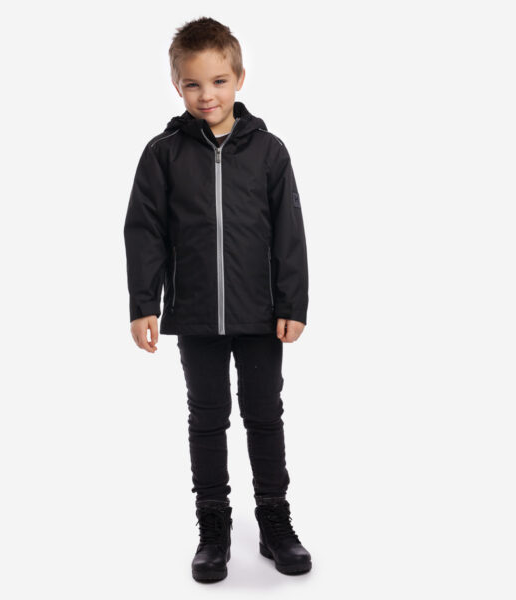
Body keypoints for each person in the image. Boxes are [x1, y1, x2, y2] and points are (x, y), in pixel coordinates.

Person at [124, 16, 312, 582]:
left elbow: (290, 232)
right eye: (193, 84)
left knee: (264, 415)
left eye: (219, 81)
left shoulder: (270, 152)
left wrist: (293, 304)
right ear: (176, 85)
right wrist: (143, 302)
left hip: (261, 315)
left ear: (240, 78)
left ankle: (275, 522)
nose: (207, 95)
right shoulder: (163, 154)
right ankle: (214, 526)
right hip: (197, 314)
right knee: (207, 419)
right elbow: (145, 231)